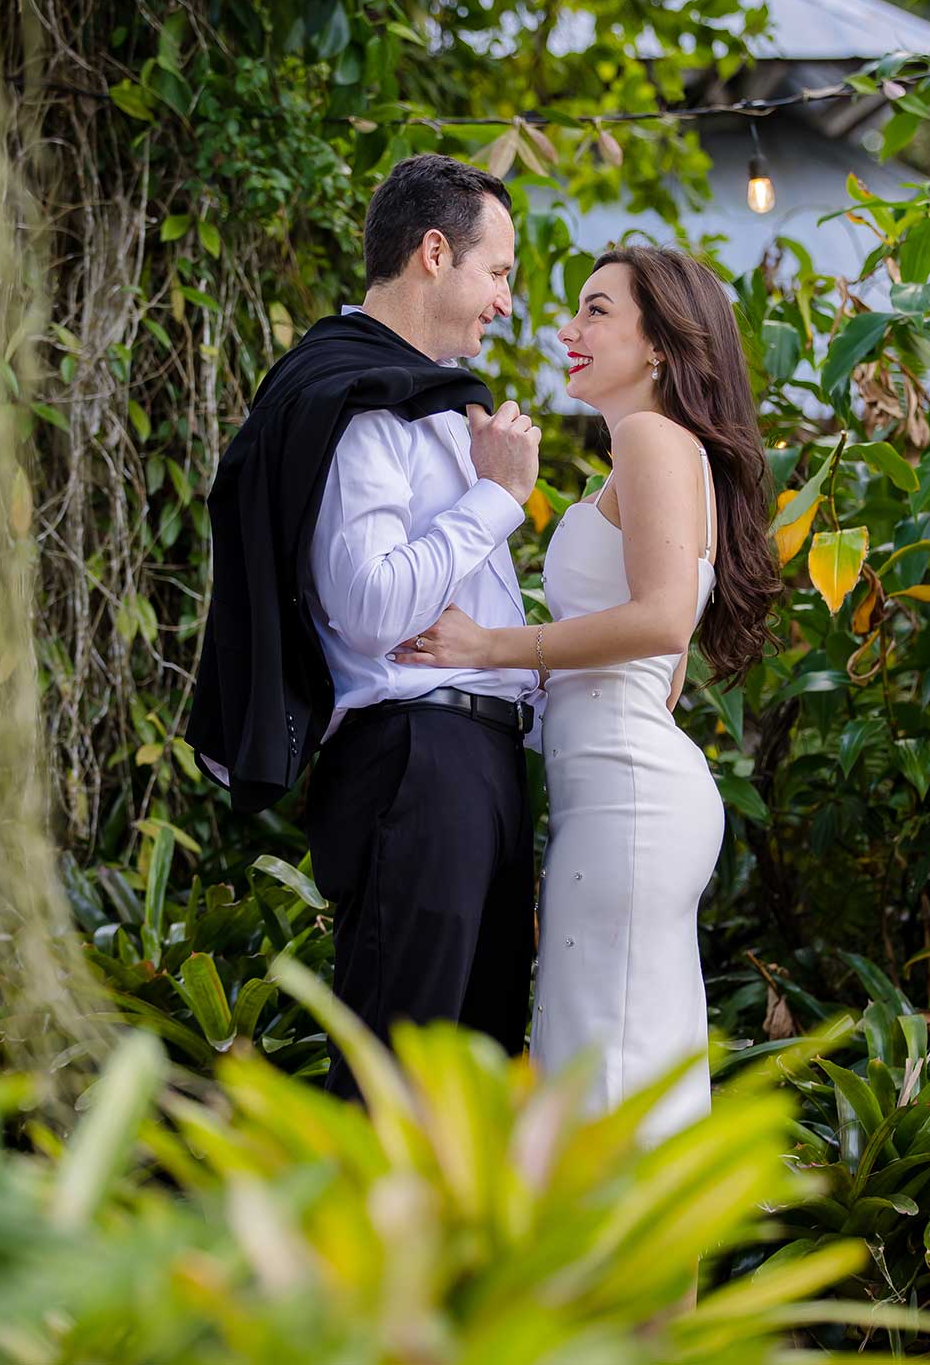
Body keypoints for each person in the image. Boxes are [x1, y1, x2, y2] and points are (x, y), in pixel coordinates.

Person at [389, 246, 780, 1141]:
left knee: (604, 1085)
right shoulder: (662, 455)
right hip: (624, 791)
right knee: (629, 1080)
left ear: (659, 344)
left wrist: (493, 645)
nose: (569, 329)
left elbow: (661, 623)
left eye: (597, 311)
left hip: (629, 801)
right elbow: (663, 671)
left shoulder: (649, 438)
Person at [186, 154, 544, 1098]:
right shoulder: (356, 401)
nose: (506, 303)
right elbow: (375, 606)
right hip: (417, 766)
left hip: (483, 765)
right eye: (500, 273)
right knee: (395, 1082)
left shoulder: (430, 398)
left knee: (469, 1090)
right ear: (436, 253)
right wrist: (498, 501)